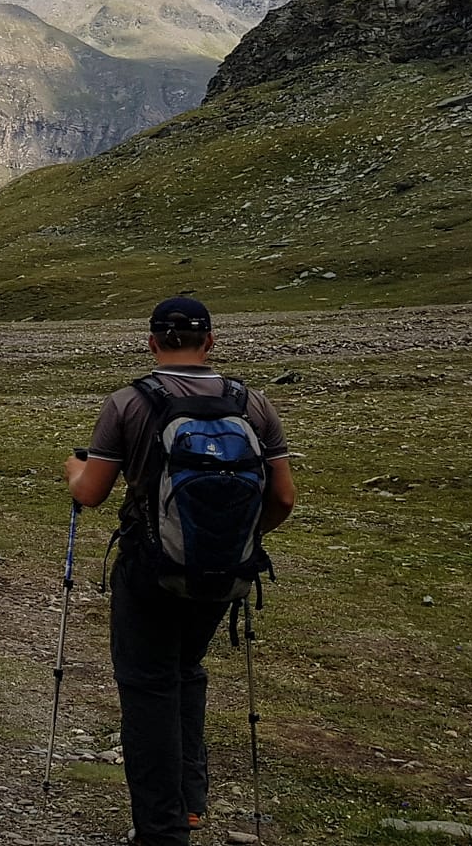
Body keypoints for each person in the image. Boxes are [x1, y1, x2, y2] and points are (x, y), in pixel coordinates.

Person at [63, 297, 296, 846]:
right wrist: (235, 538)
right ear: (210, 341)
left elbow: (91, 494)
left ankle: (162, 833)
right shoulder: (252, 402)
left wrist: (74, 469)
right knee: (187, 669)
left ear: (152, 343)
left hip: (148, 568)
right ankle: (190, 803)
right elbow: (283, 498)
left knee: (148, 688)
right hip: (225, 571)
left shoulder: (129, 401)